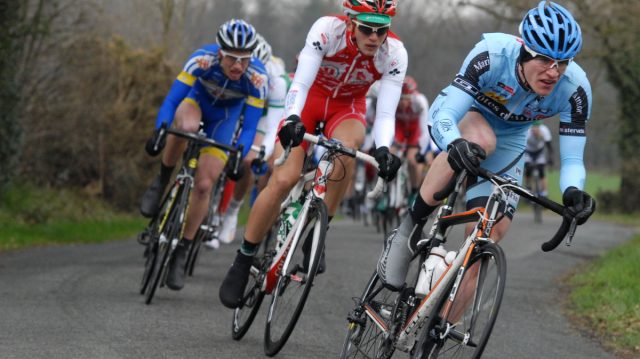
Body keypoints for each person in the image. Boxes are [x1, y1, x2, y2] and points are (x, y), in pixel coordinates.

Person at [377, 1, 596, 290]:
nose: (554, 72)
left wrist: (573, 191)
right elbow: (446, 115)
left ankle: (435, 330)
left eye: (563, 62)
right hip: (467, 117)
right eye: (544, 59)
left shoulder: (575, 89)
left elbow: (571, 160)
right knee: (481, 141)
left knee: (488, 236)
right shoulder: (492, 56)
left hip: (512, 140)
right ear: (524, 51)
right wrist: (454, 142)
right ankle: (408, 229)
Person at [219, 0, 408, 309]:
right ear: (350, 23)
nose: (374, 38)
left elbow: (386, 112)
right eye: (366, 29)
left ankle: (317, 233)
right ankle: (244, 258)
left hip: (347, 108)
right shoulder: (326, 30)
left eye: (381, 30)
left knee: (346, 155)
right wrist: (292, 118)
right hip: (308, 101)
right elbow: (301, 83)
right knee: (283, 178)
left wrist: (383, 148)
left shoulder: (395, 54)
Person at [139, 19, 267, 291]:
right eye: (231, 58)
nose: (237, 66)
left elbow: (250, 126)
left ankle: (182, 251)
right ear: (219, 53)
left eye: (244, 60)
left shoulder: (257, 78)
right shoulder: (202, 60)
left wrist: (238, 155)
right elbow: (173, 100)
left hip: (224, 120)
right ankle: (162, 180)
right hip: (196, 104)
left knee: (205, 186)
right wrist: (159, 130)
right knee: (183, 126)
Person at [208, 33, 291, 246]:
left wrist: (261, 151)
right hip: (237, 108)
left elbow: (273, 123)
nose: (256, 74)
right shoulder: (239, 68)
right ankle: (208, 202)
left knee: (246, 159)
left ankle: (232, 211)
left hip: (263, 118)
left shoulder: (276, 81)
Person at [524, 120, 553, 196]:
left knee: (541, 171)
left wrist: (550, 158)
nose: (535, 131)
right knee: (528, 170)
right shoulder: (527, 131)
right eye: (533, 129)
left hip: (539, 152)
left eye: (537, 129)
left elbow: (549, 146)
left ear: (540, 128)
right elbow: (522, 146)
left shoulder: (545, 130)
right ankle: (528, 188)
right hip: (528, 151)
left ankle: (544, 193)